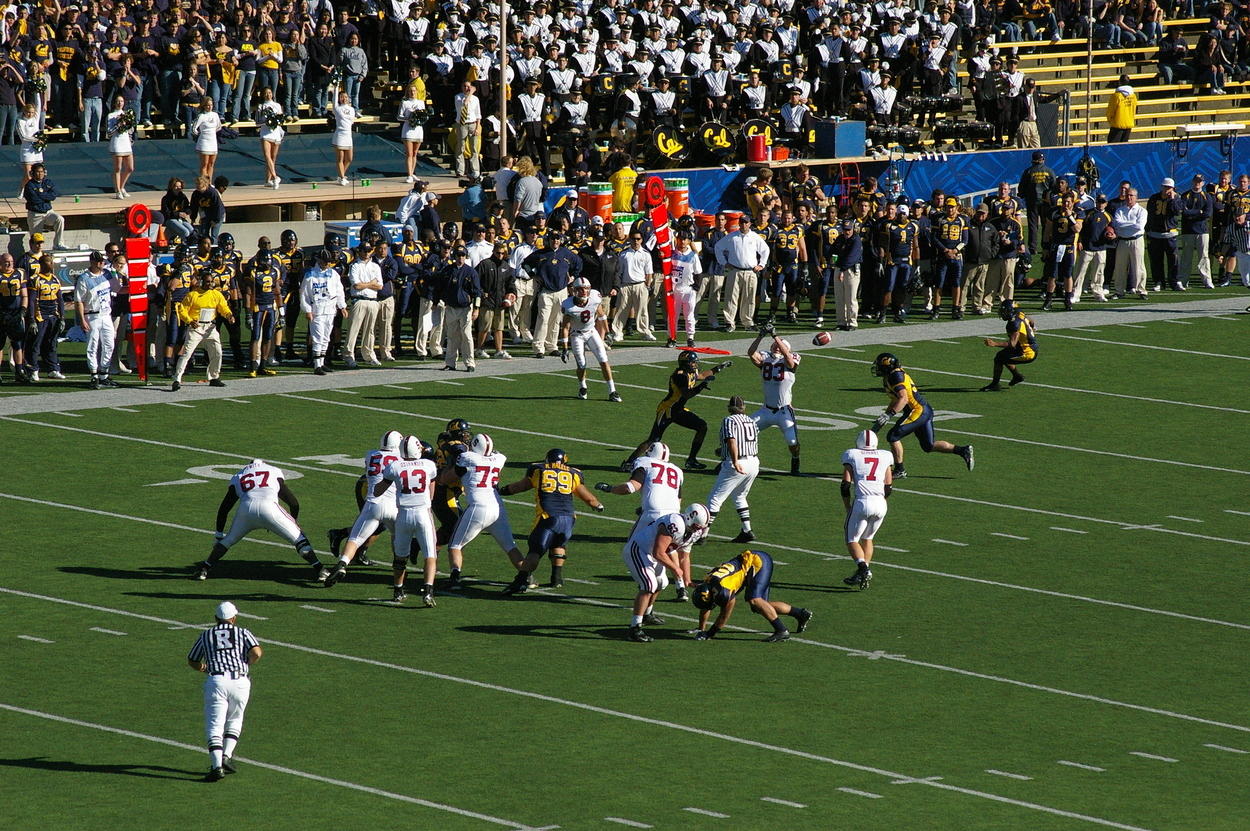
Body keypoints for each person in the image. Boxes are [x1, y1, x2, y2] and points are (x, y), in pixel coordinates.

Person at [192, 458, 325, 581]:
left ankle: (204, 569)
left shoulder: (238, 476)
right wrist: (293, 521)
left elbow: (224, 509)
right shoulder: (273, 471)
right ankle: (321, 570)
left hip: (246, 509)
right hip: (269, 508)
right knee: (299, 539)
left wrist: (218, 535)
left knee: (228, 540)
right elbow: (293, 503)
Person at [499, 447, 605, 593]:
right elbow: (588, 498)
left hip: (548, 517)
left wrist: (501, 490)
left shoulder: (538, 469)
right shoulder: (574, 473)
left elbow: (521, 486)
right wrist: (597, 505)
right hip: (569, 518)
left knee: (535, 550)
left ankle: (520, 581)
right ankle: (556, 578)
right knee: (559, 543)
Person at [439, 433, 526, 592]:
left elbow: (446, 479)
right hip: (497, 507)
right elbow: (495, 455)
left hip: (478, 508)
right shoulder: (499, 459)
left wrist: (449, 464)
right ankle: (526, 576)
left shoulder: (468, 458)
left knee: (455, 545)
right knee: (510, 546)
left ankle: (454, 578)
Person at [186, 600, 262, 782]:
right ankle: (226, 755)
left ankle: (216, 766)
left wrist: (204, 667)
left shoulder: (207, 635)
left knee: (215, 725)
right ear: (234, 618)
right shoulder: (243, 632)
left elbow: (192, 659)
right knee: (235, 719)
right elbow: (257, 652)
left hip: (217, 680)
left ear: (216, 618)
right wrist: (246, 664)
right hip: (240, 680)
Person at [869, 351, 974, 478]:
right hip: (924, 410)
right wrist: (885, 416)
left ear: (887, 367)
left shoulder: (894, 377)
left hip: (917, 411)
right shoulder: (892, 376)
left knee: (893, 436)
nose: (878, 368)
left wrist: (889, 415)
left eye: (880, 366)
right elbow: (895, 399)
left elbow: (903, 399)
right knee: (928, 446)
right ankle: (963, 450)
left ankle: (900, 470)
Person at [623, 350, 731, 472]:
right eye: (692, 362)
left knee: (702, 426)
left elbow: (701, 375)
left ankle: (691, 460)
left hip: (678, 409)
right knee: (654, 439)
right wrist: (701, 386)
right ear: (685, 363)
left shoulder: (690, 372)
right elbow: (687, 394)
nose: (695, 364)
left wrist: (718, 368)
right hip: (667, 409)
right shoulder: (679, 375)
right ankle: (629, 463)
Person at [621, 504, 707, 642]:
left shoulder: (694, 532)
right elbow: (658, 552)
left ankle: (647, 614)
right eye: (697, 526)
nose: (699, 529)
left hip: (652, 554)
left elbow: (684, 556)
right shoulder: (675, 523)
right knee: (649, 585)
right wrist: (675, 568)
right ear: (690, 519)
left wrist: (687, 579)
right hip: (638, 549)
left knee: (662, 582)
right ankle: (634, 628)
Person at [690, 549, 812, 642]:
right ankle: (800, 614)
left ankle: (781, 630)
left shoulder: (723, 591)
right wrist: (702, 629)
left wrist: (710, 633)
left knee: (754, 600)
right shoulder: (707, 583)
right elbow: (706, 605)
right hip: (751, 564)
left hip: (756, 562)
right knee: (760, 607)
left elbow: (724, 615)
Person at [374, 435, 440, 606]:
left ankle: (398, 590)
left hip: (403, 515)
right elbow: (431, 492)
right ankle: (427, 592)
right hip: (423, 514)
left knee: (400, 557)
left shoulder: (394, 466)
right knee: (430, 555)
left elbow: (378, 491)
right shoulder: (428, 465)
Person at [840, 428, 894, 590]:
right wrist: (880, 501)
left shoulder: (852, 455)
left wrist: (847, 505)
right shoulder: (885, 456)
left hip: (863, 501)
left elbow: (845, 485)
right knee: (868, 538)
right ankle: (864, 572)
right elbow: (888, 487)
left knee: (851, 539)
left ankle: (863, 568)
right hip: (881, 503)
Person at [747, 326, 802, 475]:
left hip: (784, 411)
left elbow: (789, 362)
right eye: (774, 345)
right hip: (766, 410)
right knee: (744, 430)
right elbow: (751, 353)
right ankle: (729, 460)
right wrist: (760, 336)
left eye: (779, 346)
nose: (776, 347)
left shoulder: (792, 358)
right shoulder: (766, 357)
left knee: (792, 442)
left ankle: (795, 458)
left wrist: (775, 336)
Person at [705, 394, 760, 544]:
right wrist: (722, 451)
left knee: (715, 499)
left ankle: (702, 534)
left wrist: (735, 460)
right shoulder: (751, 421)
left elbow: (732, 440)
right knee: (740, 497)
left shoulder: (729, 420)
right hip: (754, 462)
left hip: (737, 462)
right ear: (744, 408)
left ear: (730, 408)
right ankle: (747, 530)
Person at [171, 271, 236, 392]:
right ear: (201, 282)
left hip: (210, 327)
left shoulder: (216, 294)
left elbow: (223, 307)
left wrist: (229, 315)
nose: (210, 284)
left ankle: (214, 377)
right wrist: (190, 321)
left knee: (217, 352)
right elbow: (182, 310)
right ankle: (177, 378)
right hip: (196, 327)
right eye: (207, 281)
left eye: (212, 281)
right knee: (186, 353)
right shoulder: (193, 295)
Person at [559, 275, 621, 401]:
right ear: (575, 290)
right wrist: (565, 348)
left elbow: (602, 315)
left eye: (586, 289)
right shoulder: (568, 304)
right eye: (581, 289)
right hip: (577, 335)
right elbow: (565, 327)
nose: (584, 292)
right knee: (581, 365)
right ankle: (582, 387)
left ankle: (612, 391)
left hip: (591, 331)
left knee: (604, 360)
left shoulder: (594, 297)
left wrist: (608, 332)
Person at [715, 216, 770, 332]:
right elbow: (718, 247)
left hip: (751, 271)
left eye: (746, 222)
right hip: (735, 270)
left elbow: (765, 250)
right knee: (731, 298)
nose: (744, 225)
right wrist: (724, 262)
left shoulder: (755, 237)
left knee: (749, 298)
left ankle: (748, 322)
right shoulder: (732, 237)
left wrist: (762, 264)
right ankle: (729, 322)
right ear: (739, 223)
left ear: (750, 224)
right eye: (742, 222)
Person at [73, 251, 116, 389]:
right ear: (92, 262)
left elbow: (118, 288)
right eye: (98, 261)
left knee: (109, 344)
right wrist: (82, 319)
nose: (101, 263)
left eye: (102, 261)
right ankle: (94, 374)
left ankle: (104, 373)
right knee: (92, 346)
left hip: (106, 314)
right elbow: (79, 301)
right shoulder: (84, 278)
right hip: (92, 315)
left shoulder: (107, 274)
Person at [981, 299, 1040, 391]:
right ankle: (1017, 376)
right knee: (1003, 355)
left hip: (1027, 353)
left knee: (999, 358)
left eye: (1005, 311)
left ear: (1011, 310)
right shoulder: (1019, 313)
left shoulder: (1013, 323)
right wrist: (1031, 328)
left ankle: (995, 384)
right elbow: (1031, 320)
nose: (1003, 313)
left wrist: (995, 344)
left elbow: (1012, 344)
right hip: (1027, 347)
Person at [439, 247, 481, 372]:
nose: (460, 258)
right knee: (452, 336)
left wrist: (476, 308)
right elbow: (441, 287)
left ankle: (470, 363)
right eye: (458, 255)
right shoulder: (448, 270)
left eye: (463, 255)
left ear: (466, 256)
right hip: (451, 307)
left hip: (465, 308)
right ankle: (450, 363)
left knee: (467, 335)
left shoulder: (471, 272)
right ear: (454, 256)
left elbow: (477, 292)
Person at [609, 229, 655, 343]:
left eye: (638, 239)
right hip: (625, 285)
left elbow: (649, 273)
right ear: (630, 240)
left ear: (642, 240)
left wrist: (647, 286)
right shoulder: (624, 254)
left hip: (641, 285)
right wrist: (618, 286)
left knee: (642, 310)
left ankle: (645, 332)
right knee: (621, 309)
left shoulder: (646, 254)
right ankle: (618, 332)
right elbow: (619, 272)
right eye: (634, 239)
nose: (636, 241)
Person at [344, 243, 383, 367]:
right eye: (364, 250)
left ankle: (369, 354)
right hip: (359, 300)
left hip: (373, 300)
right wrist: (371, 283)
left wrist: (365, 284)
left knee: (370, 330)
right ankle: (349, 355)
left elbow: (380, 286)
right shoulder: (354, 266)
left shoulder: (375, 266)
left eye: (369, 250)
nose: (366, 253)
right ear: (359, 251)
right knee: (353, 330)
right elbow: (356, 285)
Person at [244, 249, 281, 377]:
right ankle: (253, 365)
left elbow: (277, 292)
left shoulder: (274, 272)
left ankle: (263, 366)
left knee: (268, 336)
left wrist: (281, 312)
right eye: (265, 260)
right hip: (258, 308)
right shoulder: (253, 273)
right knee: (255, 337)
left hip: (271, 307)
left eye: (269, 260)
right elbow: (248, 294)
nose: (267, 263)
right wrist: (248, 313)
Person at [1110, 187, 1148, 299]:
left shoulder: (1142, 211)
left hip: (1137, 240)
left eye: (1131, 195)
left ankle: (1142, 290)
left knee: (1139, 266)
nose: (1129, 197)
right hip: (1122, 240)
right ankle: (1119, 290)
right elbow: (1117, 224)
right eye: (1127, 195)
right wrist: (1131, 224)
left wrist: (1125, 224)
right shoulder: (1120, 210)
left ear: (1136, 197)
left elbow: (1139, 226)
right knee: (1120, 266)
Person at [1179, 174, 1215, 289]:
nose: (1197, 183)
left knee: (1204, 257)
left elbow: (1207, 214)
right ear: (1192, 181)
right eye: (1195, 181)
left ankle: (1207, 281)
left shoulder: (1207, 196)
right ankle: (1183, 280)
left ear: (1203, 183)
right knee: (1186, 257)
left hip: (1202, 231)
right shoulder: (1186, 195)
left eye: (1199, 181)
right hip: (1188, 231)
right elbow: (1184, 212)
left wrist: (1193, 213)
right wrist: (1198, 212)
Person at [1146, 178, 1183, 292]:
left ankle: (1174, 281)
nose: (1167, 190)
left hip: (1170, 234)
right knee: (1156, 260)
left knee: (1173, 260)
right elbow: (1150, 214)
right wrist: (1149, 229)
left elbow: (1176, 212)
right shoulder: (1154, 198)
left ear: (1173, 188)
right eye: (1165, 187)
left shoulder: (1177, 198)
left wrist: (1172, 200)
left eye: (1169, 188)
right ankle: (1158, 282)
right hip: (1156, 233)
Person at [23, 163, 66, 252]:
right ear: (32, 173)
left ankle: (58, 244)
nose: (40, 174)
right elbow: (34, 199)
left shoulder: (48, 182)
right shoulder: (29, 185)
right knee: (36, 238)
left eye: (41, 172)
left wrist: (41, 195)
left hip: (48, 212)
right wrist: (45, 196)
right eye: (38, 172)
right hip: (35, 214)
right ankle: (36, 253)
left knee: (60, 219)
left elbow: (53, 195)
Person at [0, 253, 28, 383]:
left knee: (17, 344)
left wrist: (23, 310)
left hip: (15, 313)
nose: (9, 264)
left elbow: (24, 295)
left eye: (11, 261)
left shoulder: (19, 274)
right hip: (2, 314)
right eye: (6, 262)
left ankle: (19, 370)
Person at [452, 80, 482, 181]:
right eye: (465, 86)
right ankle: (460, 170)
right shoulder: (458, 97)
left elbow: (478, 114)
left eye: (469, 86)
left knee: (474, 148)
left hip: (472, 123)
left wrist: (477, 127)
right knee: (461, 147)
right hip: (462, 124)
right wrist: (471, 93)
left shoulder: (475, 99)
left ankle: (475, 170)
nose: (467, 88)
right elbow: (464, 104)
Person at [397, 81, 427, 183]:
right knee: (409, 153)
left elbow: (424, 116)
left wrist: (420, 117)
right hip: (408, 130)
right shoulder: (405, 102)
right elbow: (399, 116)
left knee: (414, 153)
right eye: (410, 91)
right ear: (408, 92)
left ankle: (413, 172)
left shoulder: (421, 103)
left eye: (414, 91)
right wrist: (408, 118)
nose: (412, 93)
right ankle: (409, 174)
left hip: (418, 129)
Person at [105, 95, 134, 198]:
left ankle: (121, 187)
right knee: (118, 168)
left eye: (121, 101)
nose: (120, 103)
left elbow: (130, 130)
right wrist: (118, 124)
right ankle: (117, 191)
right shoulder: (111, 115)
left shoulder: (127, 114)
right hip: (117, 143)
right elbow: (109, 132)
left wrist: (130, 139)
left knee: (130, 168)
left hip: (126, 142)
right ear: (114, 103)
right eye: (118, 101)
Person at [256, 86, 284, 189]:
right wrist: (267, 122)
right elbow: (257, 122)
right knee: (267, 156)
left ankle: (267, 180)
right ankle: (275, 177)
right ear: (263, 95)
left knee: (273, 158)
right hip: (265, 133)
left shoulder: (277, 105)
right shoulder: (261, 106)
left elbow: (281, 119)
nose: (268, 95)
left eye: (270, 93)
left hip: (276, 133)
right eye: (266, 93)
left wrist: (280, 129)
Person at [191, 97, 222, 180]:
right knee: (205, 164)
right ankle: (203, 183)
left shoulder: (215, 115)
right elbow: (193, 129)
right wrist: (200, 135)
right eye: (207, 105)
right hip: (204, 143)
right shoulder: (201, 116)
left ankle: (209, 183)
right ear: (204, 106)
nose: (209, 107)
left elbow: (218, 127)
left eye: (211, 105)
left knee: (211, 164)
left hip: (213, 142)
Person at [331, 90, 356, 186]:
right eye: (342, 97)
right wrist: (336, 86)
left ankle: (341, 175)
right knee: (340, 158)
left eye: (345, 97)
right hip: (340, 135)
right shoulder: (337, 108)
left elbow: (351, 122)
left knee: (349, 159)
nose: (344, 99)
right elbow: (334, 101)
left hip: (348, 136)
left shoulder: (352, 109)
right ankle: (342, 177)